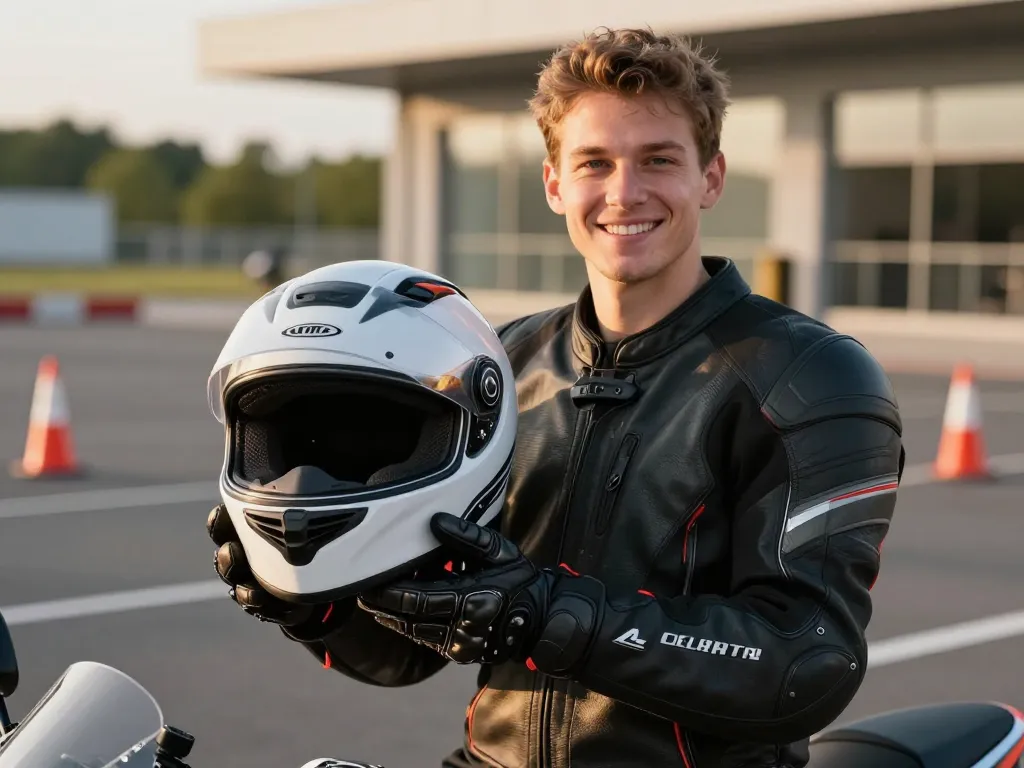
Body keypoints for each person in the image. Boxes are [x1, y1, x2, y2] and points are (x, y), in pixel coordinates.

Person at [208, 26, 904, 768]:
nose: (624, 192)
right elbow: (408, 652)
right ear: (554, 183)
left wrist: (547, 615)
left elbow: (804, 661)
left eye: (659, 160)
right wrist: (315, 605)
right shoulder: (492, 365)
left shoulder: (807, 376)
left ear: (711, 177)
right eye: (594, 162)